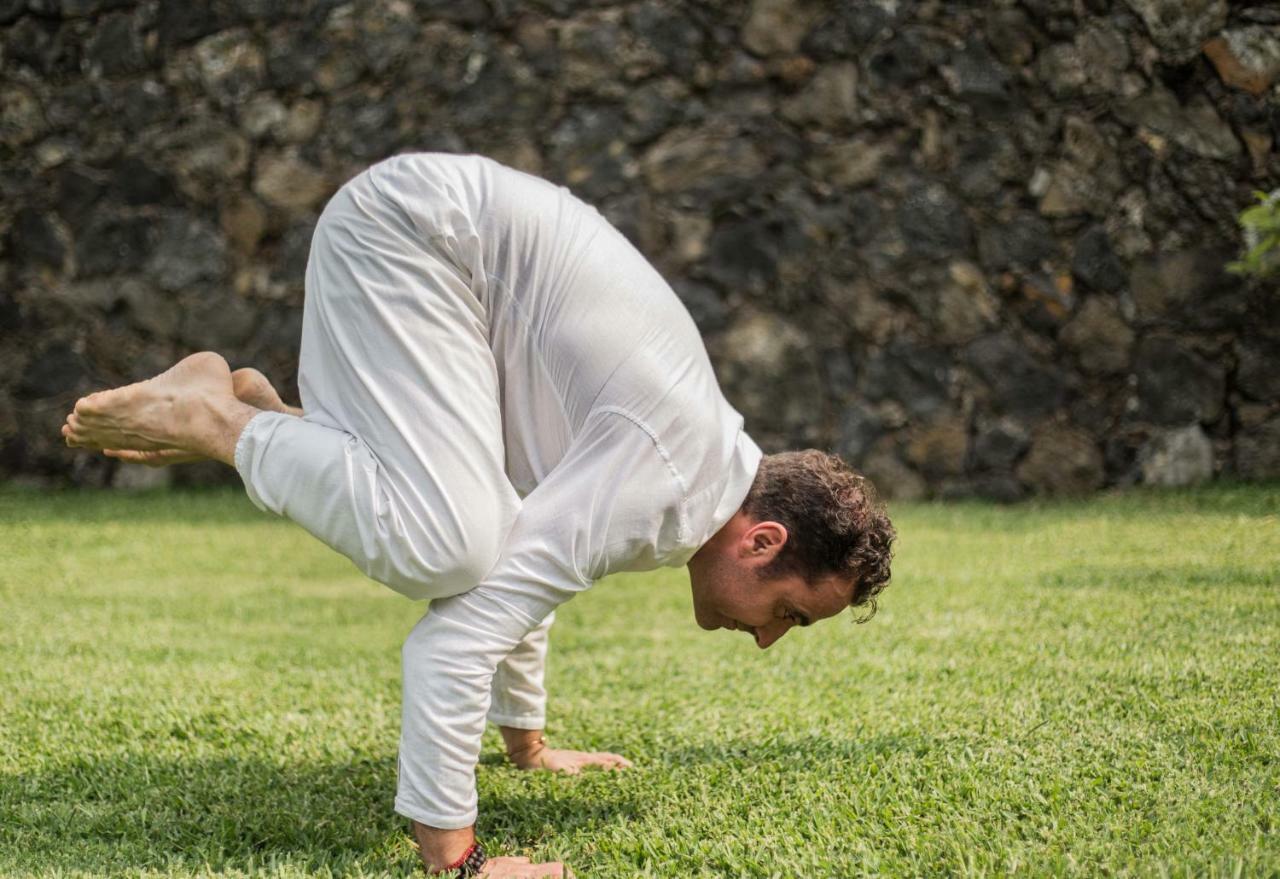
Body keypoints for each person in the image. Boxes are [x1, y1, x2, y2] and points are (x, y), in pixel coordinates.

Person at [62, 153, 896, 877]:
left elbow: (529, 553)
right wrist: (457, 859)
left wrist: (526, 745)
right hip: (412, 236)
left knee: (478, 533)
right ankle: (221, 420)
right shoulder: (671, 477)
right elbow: (456, 637)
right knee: (446, 549)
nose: (766, 638)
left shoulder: (695, 469)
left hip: (428, 245)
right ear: (762, 540)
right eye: (787, 611)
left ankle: (266, 425)